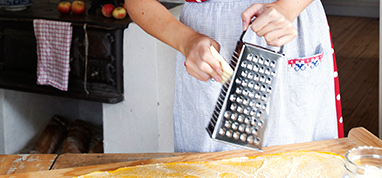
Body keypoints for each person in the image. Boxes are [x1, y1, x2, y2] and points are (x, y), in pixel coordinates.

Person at [125, 0, 343, 152]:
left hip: (289, 25)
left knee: (303, 175)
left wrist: (286, 7)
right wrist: (186, 41)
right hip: (206, 44)